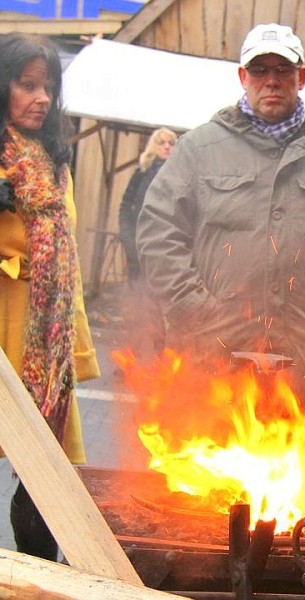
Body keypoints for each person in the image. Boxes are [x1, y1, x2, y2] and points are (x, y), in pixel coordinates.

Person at [136, 23, 305, 436]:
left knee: (290, 485)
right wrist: (199, 311)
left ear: (301, 79)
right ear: (243, 78)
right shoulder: (199, 149)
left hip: (300, 370)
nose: (271, 81)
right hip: (209, 360)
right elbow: (159, 234)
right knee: (202, 483)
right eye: (260, 70)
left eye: (282, 71)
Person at [0, 33, 101, 561]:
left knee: (46, 471)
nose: (40, 97)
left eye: (48, 87)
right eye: (27, 84)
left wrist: (75, 349)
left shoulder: (56, 161)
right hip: (1, 329)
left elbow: (67, 267)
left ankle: (40, 575)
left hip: (43, 342)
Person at [118, 127, 176, 283]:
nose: (166, 146)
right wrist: (127, 238)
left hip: (164, 252)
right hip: (138, 249)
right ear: (153, 145)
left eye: (171, 143)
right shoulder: (142, 172)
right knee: (136, 295)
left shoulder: (179, 177)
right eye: (161, 142)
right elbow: (126, 205)